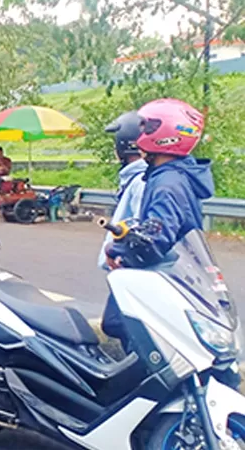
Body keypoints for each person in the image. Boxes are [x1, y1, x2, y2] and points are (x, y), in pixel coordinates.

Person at [104, 99, 213, 344]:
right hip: (180, 273)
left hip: (167, 277)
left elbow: (156, 237)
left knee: (118, 323)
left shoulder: (168, 184)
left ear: (163, 134)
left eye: (147, 127)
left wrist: (117, 250)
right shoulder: (173, 174)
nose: (140, 134)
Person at [96, 111, 147, 344]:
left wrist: (122, 255)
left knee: (118, 324)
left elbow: (140, 226)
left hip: (131, 268)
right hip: (128, 268)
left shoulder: (140, 181)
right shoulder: (135, 178)